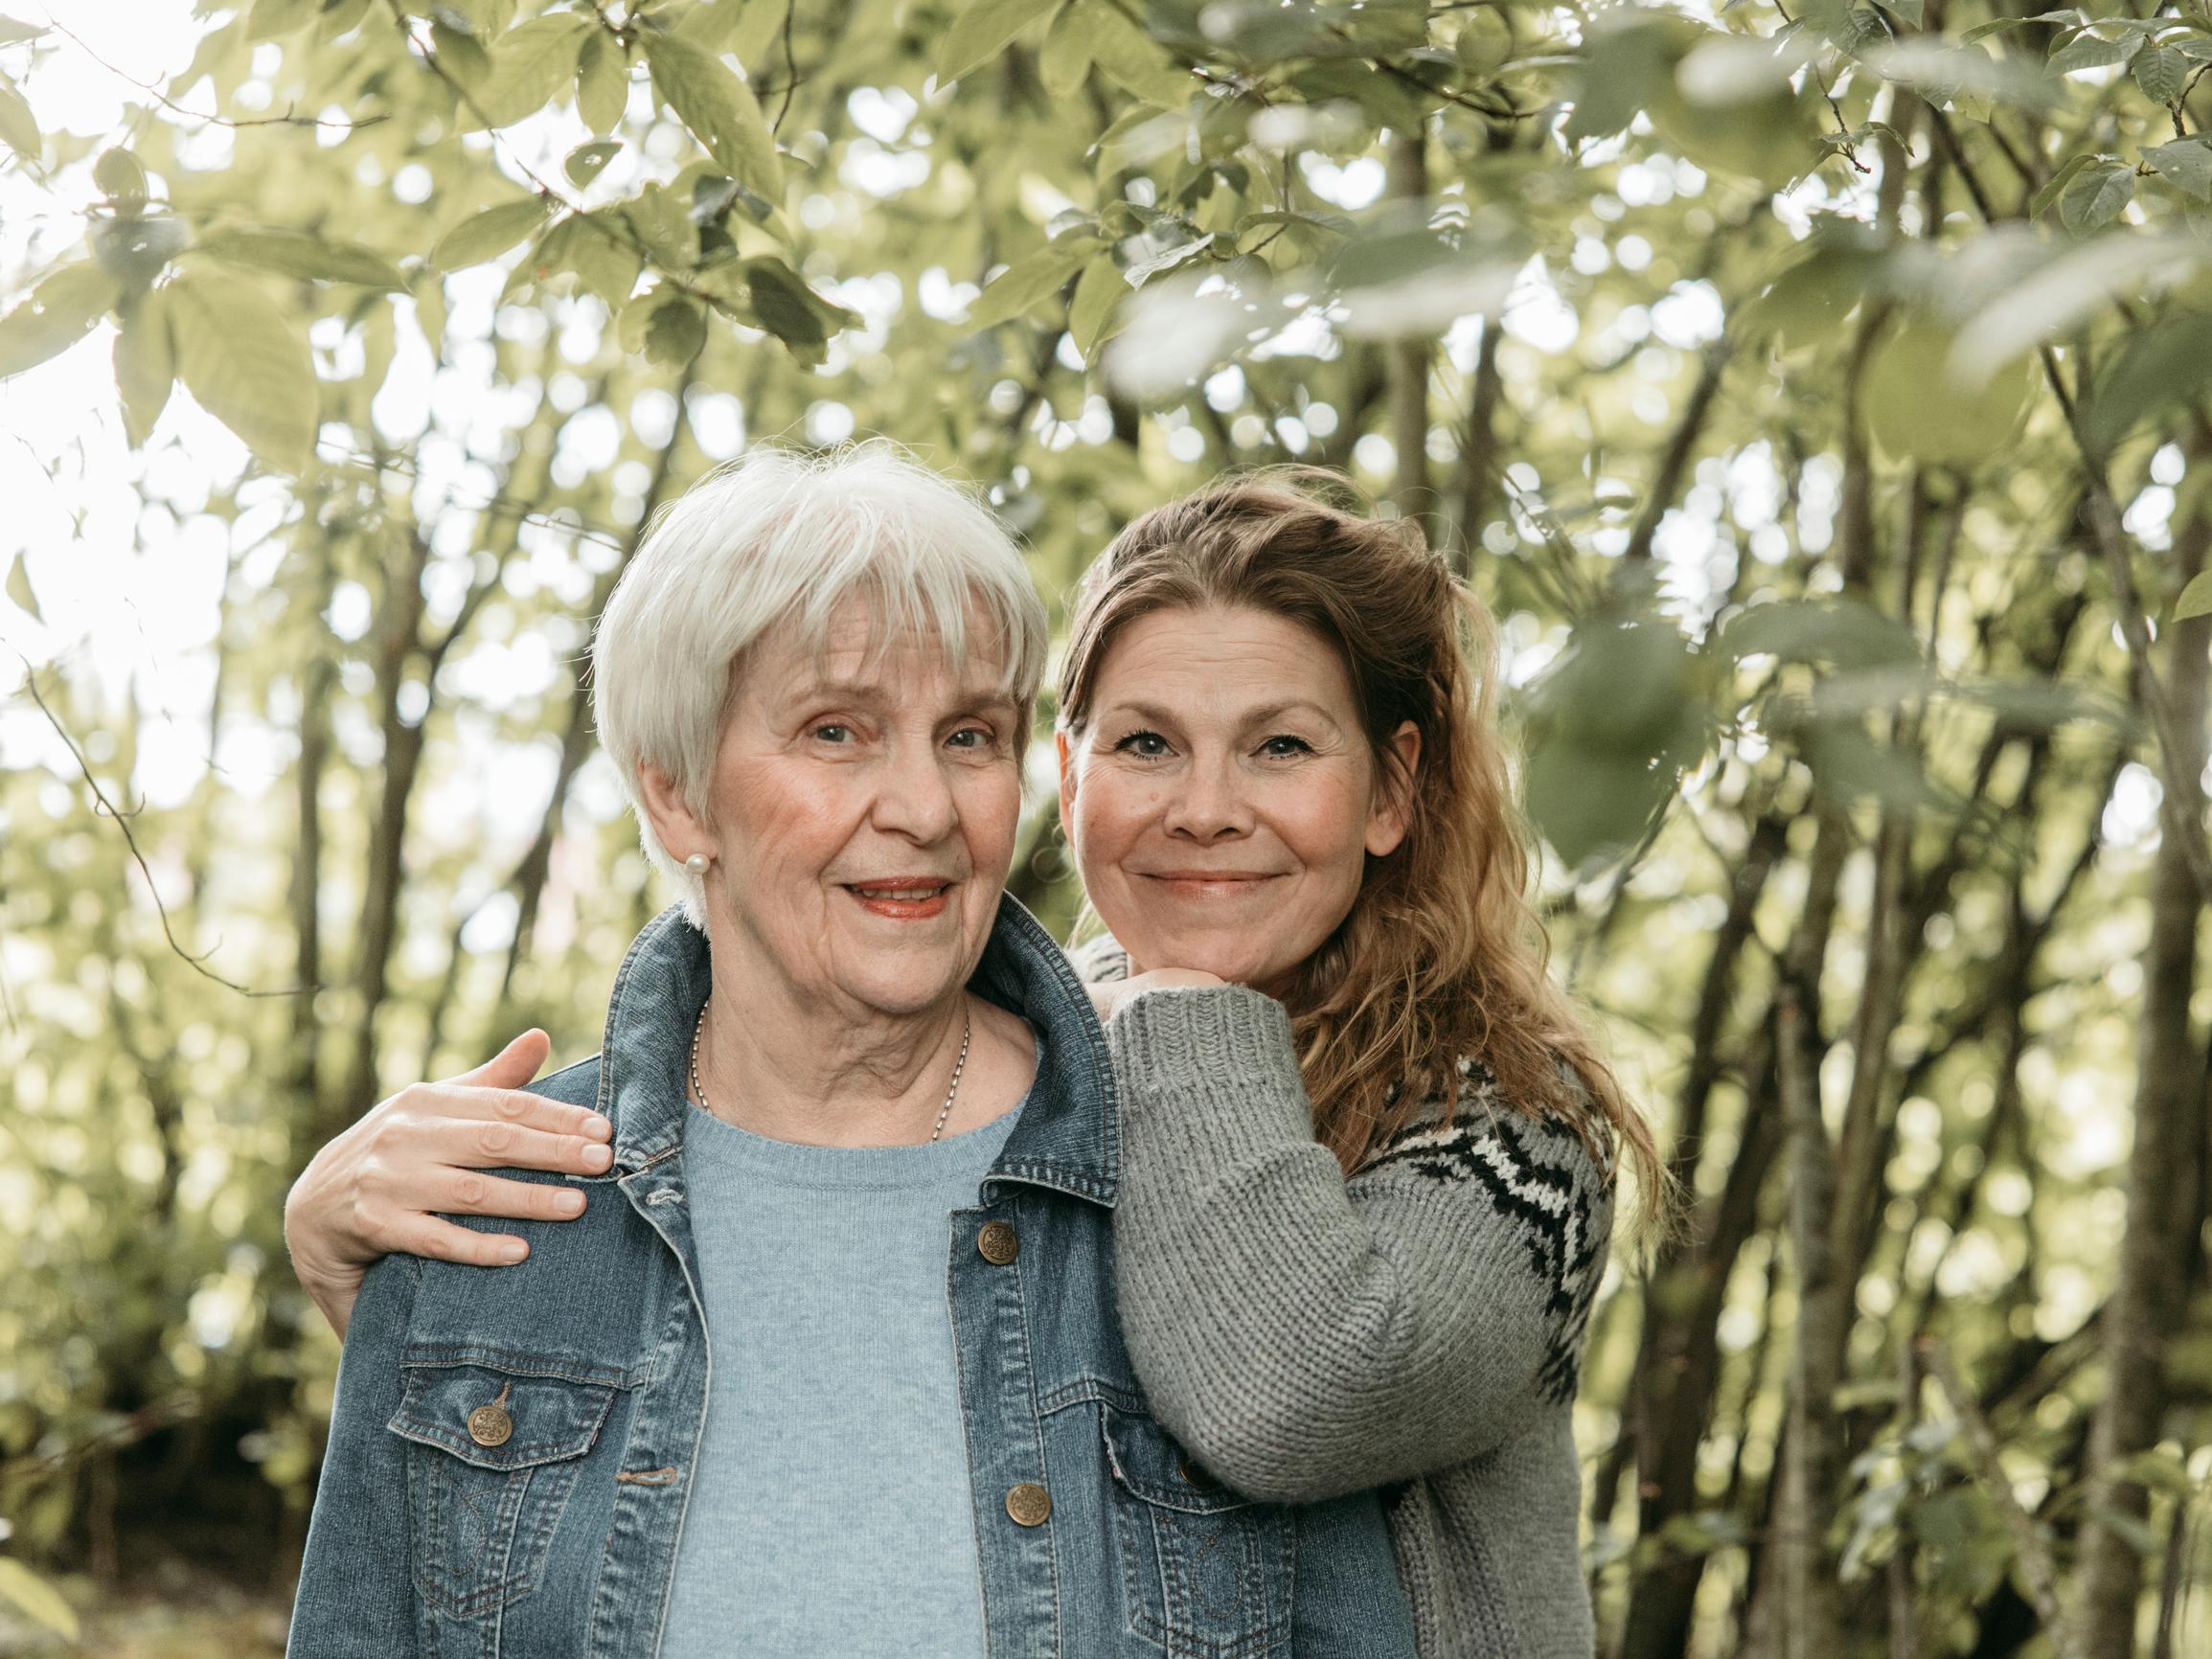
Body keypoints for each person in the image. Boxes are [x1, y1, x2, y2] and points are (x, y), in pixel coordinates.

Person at [287, 464, 1672, 1659]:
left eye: (965, 737)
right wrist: (355, 1260)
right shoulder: (506, 1195)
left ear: (1391, 791)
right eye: (836, 730)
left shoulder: (1473, 1144)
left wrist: (1171, 1007)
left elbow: (1297, 1392)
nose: (1203, 813)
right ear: (673, 788)